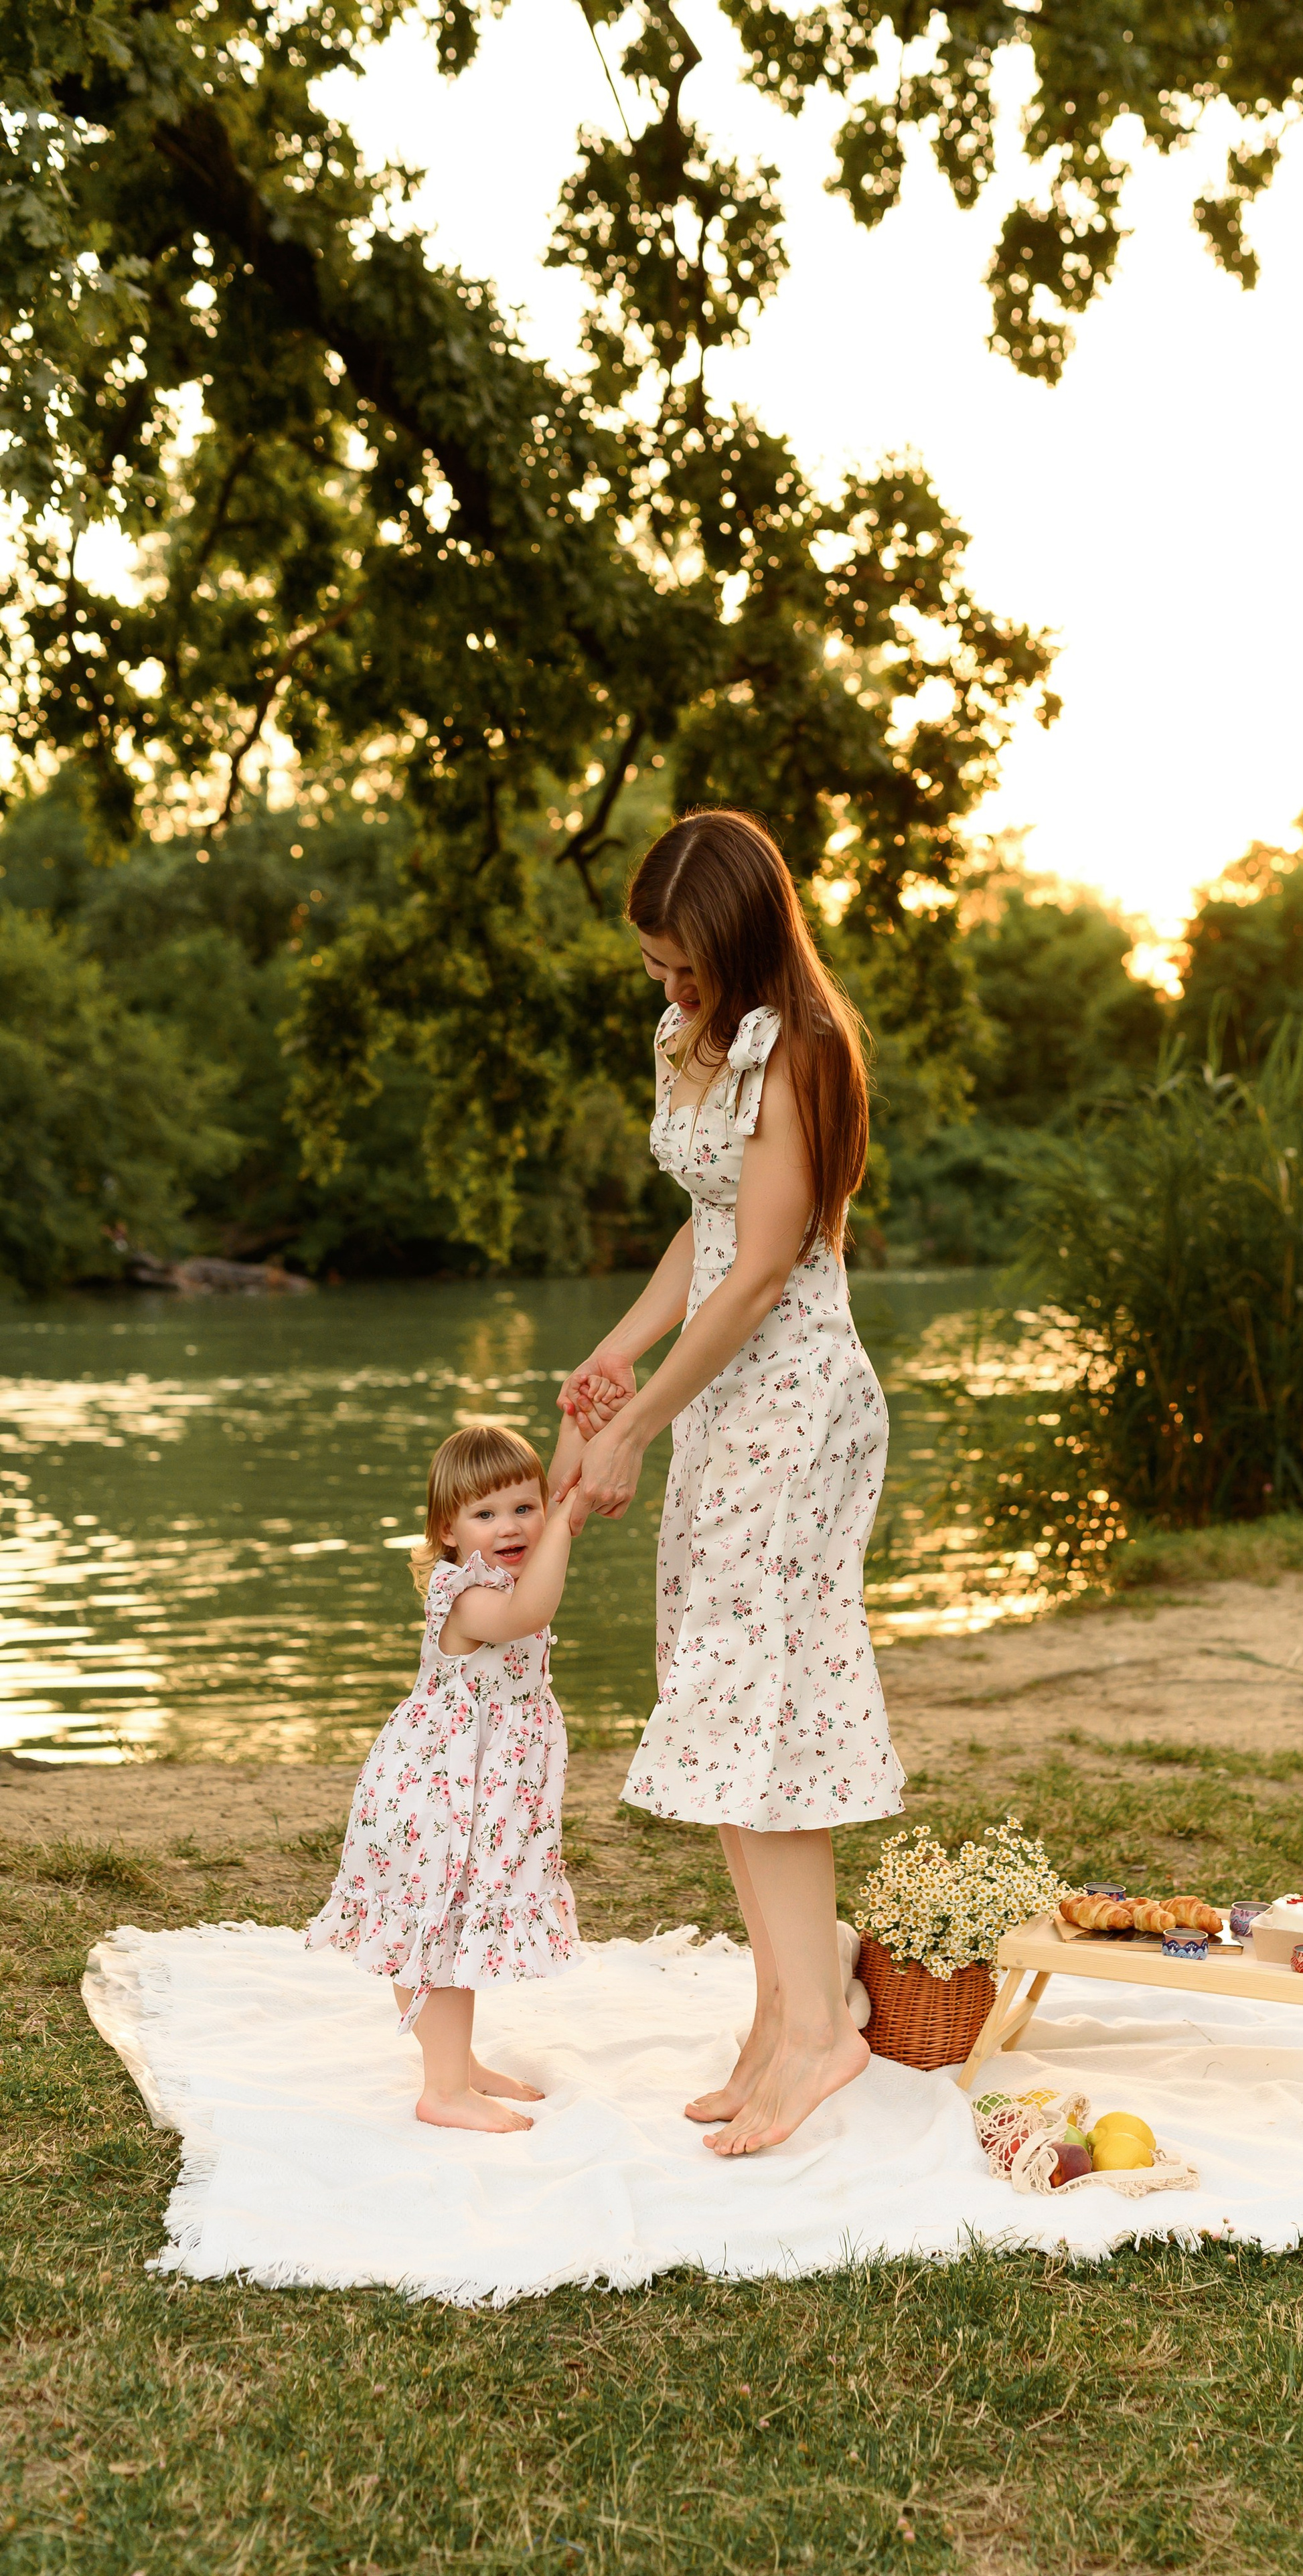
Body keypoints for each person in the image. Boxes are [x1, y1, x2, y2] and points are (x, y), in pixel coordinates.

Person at [556, 807, 905, 2156]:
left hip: (796, 1398)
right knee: (716, 1691)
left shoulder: (802, 1047)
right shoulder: (690, 1041)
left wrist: (636, 1424)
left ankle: (821, 2031)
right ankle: (779, 2011)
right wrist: (614, 1354)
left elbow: (763, 1269)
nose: (668, 986)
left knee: (761, 1693)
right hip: (718, 1389)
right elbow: (704, 1234)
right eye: (655, 967)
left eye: (685, 963)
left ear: (744, 935)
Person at [305, 1410, 621, 2134]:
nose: (510, 1525)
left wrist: (577, 1424)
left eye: (523, 1507)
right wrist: (565, 1511)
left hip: (478, 1787)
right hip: (440, 1791)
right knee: (440, 1926)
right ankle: (443, 2089)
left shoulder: (514, 1565)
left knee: (440, 1926)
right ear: (448, 1529)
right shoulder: (467, 1594)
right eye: (485, 1513)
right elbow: (535, 1606)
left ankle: (456, 2063)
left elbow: (562, 1499)